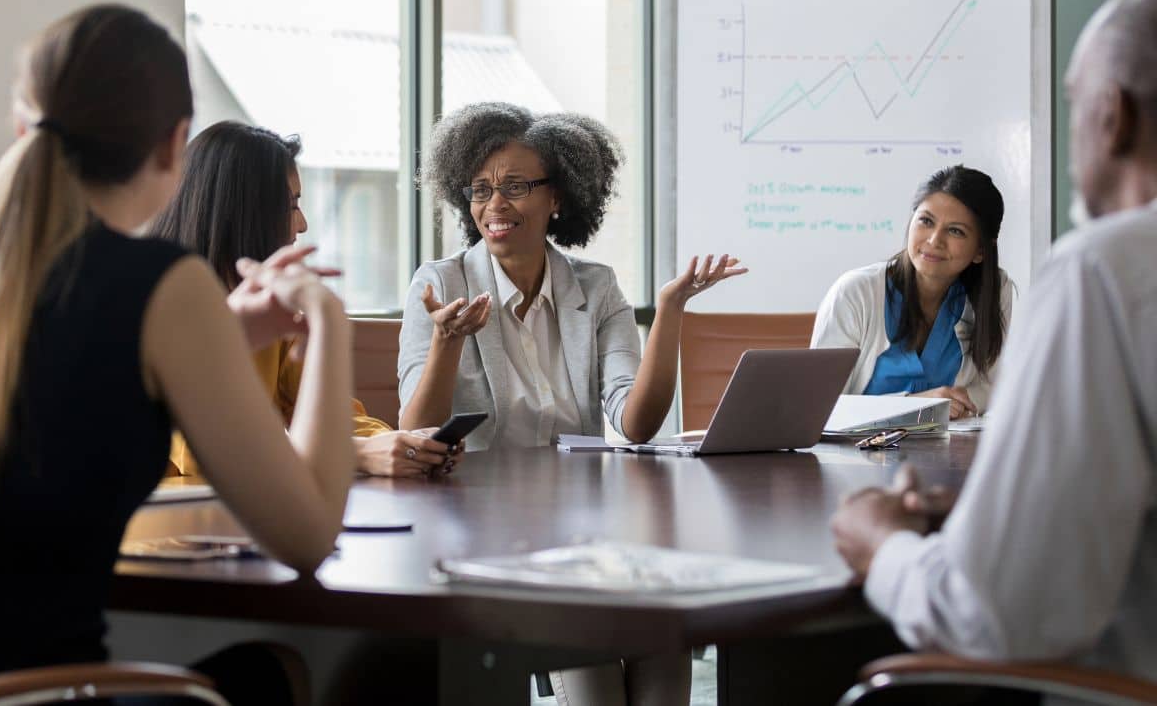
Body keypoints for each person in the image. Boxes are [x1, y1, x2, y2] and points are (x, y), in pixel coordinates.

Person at [0, 5, 353, 706]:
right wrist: (326, 324)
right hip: (33, 700)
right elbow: (309, 536)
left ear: (24, 126)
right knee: (278, 673)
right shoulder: (164, 285)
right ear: (174, 146)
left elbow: (71, 377)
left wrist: (223, 335)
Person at [831, 0, 1157, 692]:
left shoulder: (1104, 270)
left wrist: (882, 547)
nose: (934, 240)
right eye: (926, 222)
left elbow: (994, 617)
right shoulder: (859, 292)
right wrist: (1004, 512)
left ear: (1113, 117)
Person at [397, 101, 744, 705]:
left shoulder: (596, 286)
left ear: (557, 196)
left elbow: (635, 422)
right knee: (594, 664)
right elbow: (415, 431)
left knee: (664, 634)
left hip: (587, 517)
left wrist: (670, 311)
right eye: (480, 189)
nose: (495, 205)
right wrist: (447, 341)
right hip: (487, 523)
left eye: (515, 186)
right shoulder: (441, 284)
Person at [152, 120, 454, 478]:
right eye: (291, 205)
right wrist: (354, 453)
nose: (303, 224)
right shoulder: (162, 304)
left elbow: (338, 416)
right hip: (169, 511)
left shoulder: (273, 308)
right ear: (243, 210)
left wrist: (403, 443)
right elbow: (205, 456)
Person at [811, 165, 1016, 419]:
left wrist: (952, 403)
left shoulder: (994, 290)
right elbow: (820, 408)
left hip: (950, 444)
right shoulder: (854, 293)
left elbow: (993, 388)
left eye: (956, 231)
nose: (934, 240)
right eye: (926, 221)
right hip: (857, 445)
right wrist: (916, 405)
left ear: (981, 251)